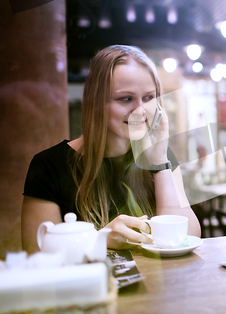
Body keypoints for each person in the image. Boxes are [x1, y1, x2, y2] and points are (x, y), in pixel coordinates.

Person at [22, 45, 201, 252]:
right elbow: (35, 257)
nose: (140, 111)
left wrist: (160, 159)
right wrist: (99, 240)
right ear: (97, 103)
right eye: (125, 99)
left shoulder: (159, 157)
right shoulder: (49, 166)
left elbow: (188, 236)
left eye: (149, 98)